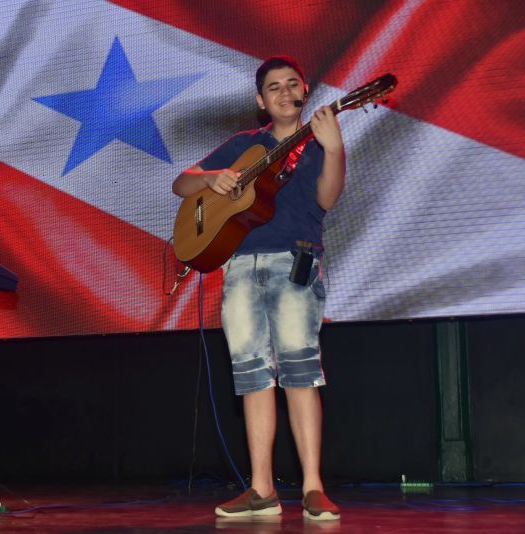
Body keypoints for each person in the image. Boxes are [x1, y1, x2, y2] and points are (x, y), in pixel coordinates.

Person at [172, 56, 344, 521]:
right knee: (252, 379)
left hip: (296, 263)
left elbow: (326, 200)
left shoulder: (316, 144)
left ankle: (312, 488)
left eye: (292, 84)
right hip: (240, 268)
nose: (285, 93)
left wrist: (334, 149)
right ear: (260, 100)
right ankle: (262, 490)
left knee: (300, 373)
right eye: (274, 88)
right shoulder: (243, 145)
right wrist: (215, 178)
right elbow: (182, 184)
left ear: (305, 90)